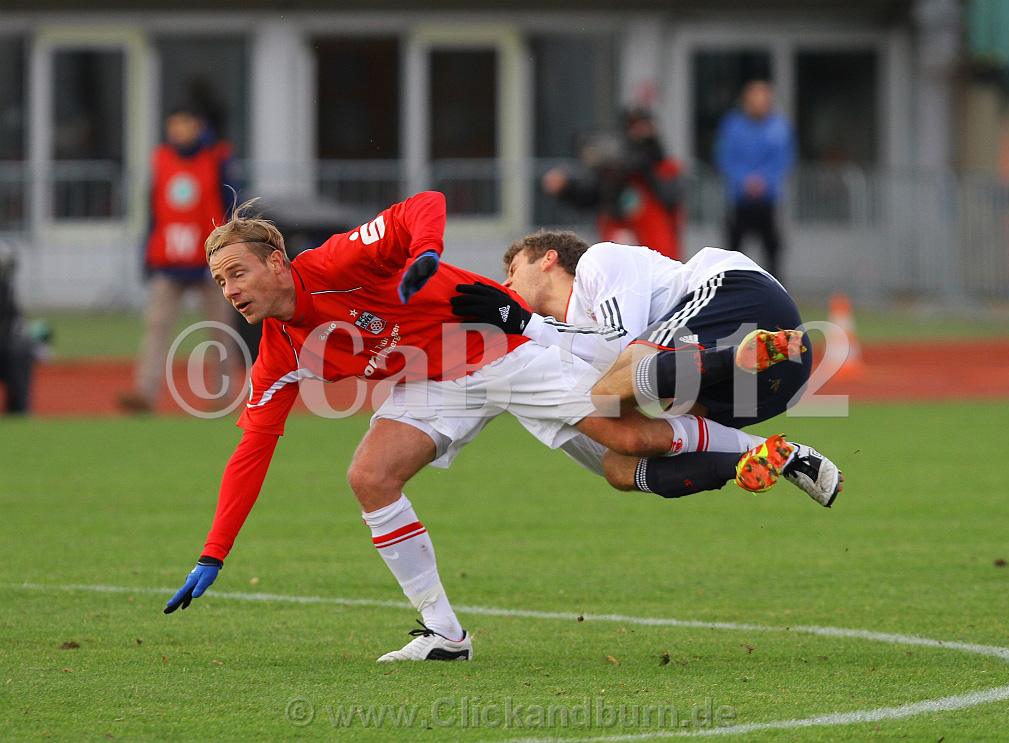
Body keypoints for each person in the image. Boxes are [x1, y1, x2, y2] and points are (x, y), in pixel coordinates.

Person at [163, 192, 781, 662]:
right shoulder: (278, 352)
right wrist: (214, 551)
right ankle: (444, 634)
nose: (229, 289)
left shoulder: (334, 263)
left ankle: (774, 451)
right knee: (370, 477)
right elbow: (253, 448)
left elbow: (423, 206)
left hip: (499, 345)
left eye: (238, 273)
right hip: (430, 385)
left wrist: (426, 253)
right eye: (220, 281)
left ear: (277, 261)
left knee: (628, 442)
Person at [452, 230, 841, 505]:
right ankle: (779, 457)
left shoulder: (597, 263)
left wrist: (523, 323)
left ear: (549, 258)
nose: (507, 281)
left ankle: (736, 354)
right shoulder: (554, 338)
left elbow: (620, 346)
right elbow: (613, 413)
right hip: (775, 382)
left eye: (514, 268)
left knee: (608, 391)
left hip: (742, 299)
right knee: (619, 467)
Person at [119, 106, 241, 413]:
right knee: (156, 326)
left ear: (198, 126)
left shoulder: (216, 159)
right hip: (169, 259)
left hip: (211, 261)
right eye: (172, 125)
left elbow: (233, 206)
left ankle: (223, 396)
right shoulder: (161, 160)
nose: (177, 132)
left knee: (220, 329)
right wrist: (146, 254)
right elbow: (154, 211)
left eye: (183, 125)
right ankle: (145, 393)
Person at [542, 107, 684, 260]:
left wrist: (643, 158)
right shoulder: (613, 174)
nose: (637, 134)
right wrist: (567, 189)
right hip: (619, 250)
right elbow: (591, 197)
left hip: (659, 252)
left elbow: (669, 196)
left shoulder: (665, 167)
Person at [715, 80, 795, 280]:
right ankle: (730, 290)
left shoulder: (780, 127)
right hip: (739, 199)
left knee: (773, 249)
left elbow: (784, 159)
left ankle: (776, 291)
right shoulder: (732, 126)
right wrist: (744, 180)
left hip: (768, 200)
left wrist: (764, 180)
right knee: (732, 249)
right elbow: (725, 157)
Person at [0, 242, 39, 414]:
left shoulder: (6, 292)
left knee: (22, 349)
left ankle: (19, 409)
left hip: (5, 345)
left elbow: (16, 321)